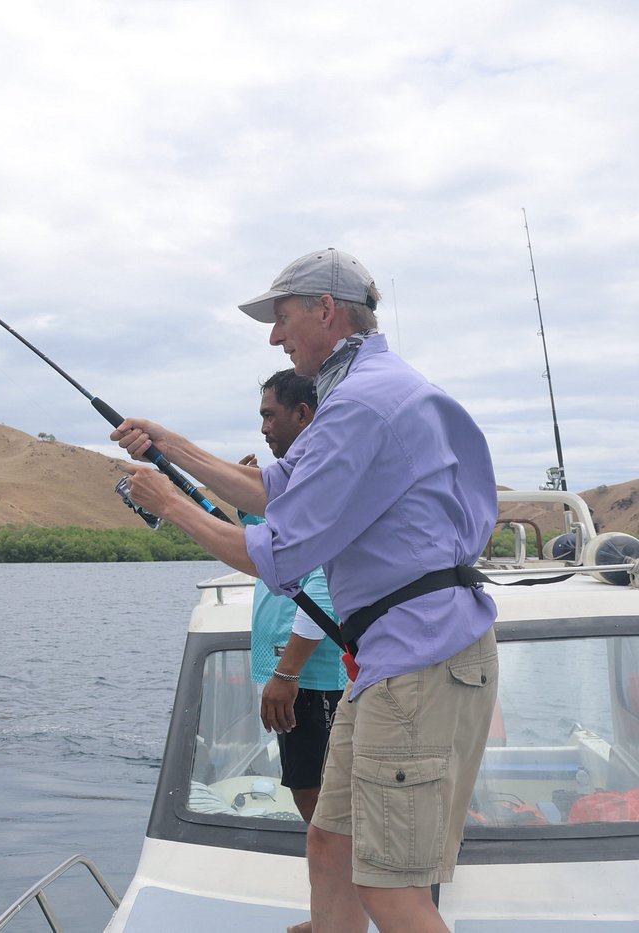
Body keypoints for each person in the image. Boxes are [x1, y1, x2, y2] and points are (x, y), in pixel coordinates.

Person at [112, 248, 498, 933]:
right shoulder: (363, 393)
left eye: (282, 317)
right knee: (331, 840)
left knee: (391, 889)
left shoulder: (362, 404)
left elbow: (276, 550)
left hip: (417, 662)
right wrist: (169, 445)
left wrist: (169, 502)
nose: (273, 335)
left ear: (326, 309)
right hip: (392, 664)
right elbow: (273, 490)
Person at [240, 369, 345, 826]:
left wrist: (287, 673)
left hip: (311, 681)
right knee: (308, 793)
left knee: (319, 804)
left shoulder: (318, 488)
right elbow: (274, 556)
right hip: (295, 679)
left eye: (270, 415)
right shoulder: (297, 488)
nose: (263, 428)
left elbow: (323, 589)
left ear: (303, 415)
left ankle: (348, 890)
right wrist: (247, 509)